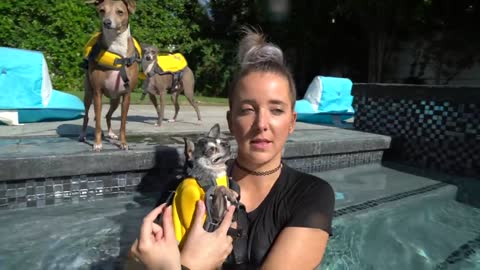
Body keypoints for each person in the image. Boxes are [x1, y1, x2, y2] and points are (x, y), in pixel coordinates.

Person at [130, 28, 335, 269]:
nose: (261, 124)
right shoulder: (189, 186)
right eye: (248, 109)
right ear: (230, 121)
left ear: (292, 121)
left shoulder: (311, 195)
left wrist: (187, 265)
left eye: (277, 110)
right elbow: (135, 260)